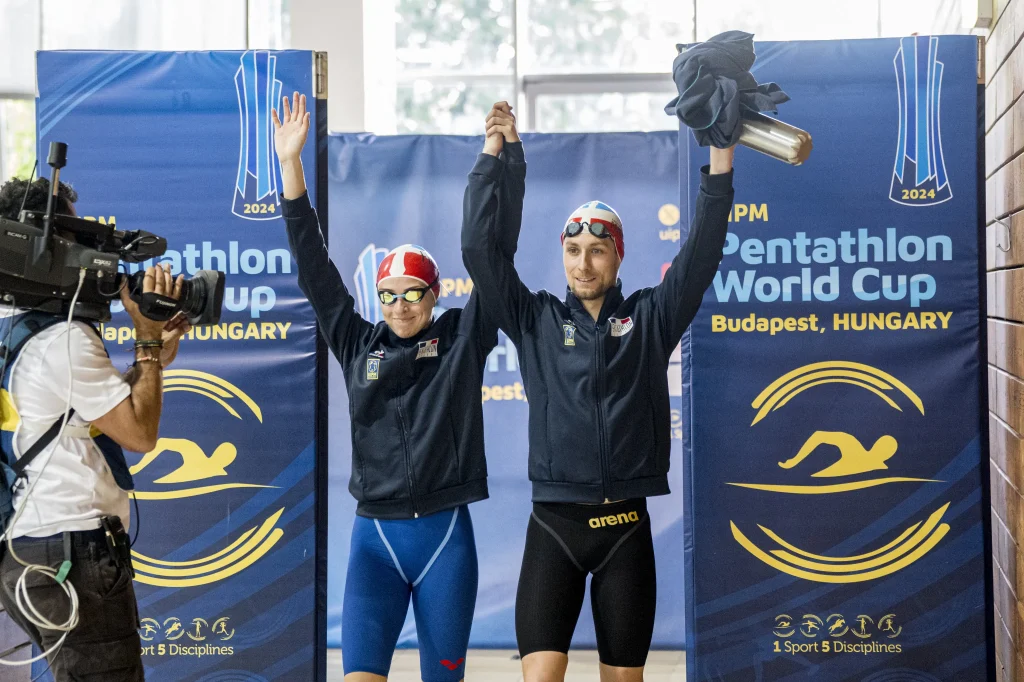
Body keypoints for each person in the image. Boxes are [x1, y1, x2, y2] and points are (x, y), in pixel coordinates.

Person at [462, 106, 736, 682]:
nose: (583, 263)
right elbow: (479, 253)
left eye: (597, 249)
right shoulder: (534, 319)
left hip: (624, 533)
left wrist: (721, 154)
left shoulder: (650, 319)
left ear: (618, 255)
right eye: (573, 250)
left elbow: (704, 250)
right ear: (563, 255)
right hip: (553, 531)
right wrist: (498, 154)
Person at [274, 93, 525, 682]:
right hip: (374, 544)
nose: (400, 304)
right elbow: (314, 267)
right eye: (389, 294)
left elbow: (499, 252)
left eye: (414, 291)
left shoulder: (465, 336)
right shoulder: (359, 343)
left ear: (435, 295)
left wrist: (503, 157)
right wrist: (290, 167)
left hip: (445, 542)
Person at [0, 176, 190, 681]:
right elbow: (138, 433)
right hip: (73, 552)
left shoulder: (15, 328)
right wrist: (145, 342)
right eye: (76, 231)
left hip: (27, 550)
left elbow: (87, 410)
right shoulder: (64, 337)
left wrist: (154, 359)